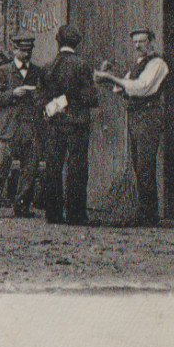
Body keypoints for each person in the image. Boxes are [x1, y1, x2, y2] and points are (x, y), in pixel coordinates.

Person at [95, 27, 170, 226]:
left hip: (149, 116)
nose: (138, 46)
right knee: (138, 165)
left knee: (145, 165)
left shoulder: (157, 64)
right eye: (135, 42)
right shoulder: (138, 64)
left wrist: (112, 78)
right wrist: (109, 74)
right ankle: (144, 213)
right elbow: (121, 87)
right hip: (136, 116)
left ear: (152, 42)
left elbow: (142, 88)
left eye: (142, 41)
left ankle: (150, 216)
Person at [0, 36, 45, 218]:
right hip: (8, 127)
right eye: (23, 50)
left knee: (30, 169)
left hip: (30, 127)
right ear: (14, 50)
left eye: (29, 51)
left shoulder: (37, 72)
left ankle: (22, 206)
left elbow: (42, 96)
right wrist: (13, 93)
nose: (26, 54)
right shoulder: (3, 72)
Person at [40, 24, 97, 225]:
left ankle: (53, 214)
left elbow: (43, 99)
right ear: (77, 43)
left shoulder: (48, 66)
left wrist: (58, 105)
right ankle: (76, 214)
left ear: (58, 41)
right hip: (77, 123)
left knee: (53, 166)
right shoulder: (82, 65)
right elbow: (90, 98)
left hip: (55, 122)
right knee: (77, 166)